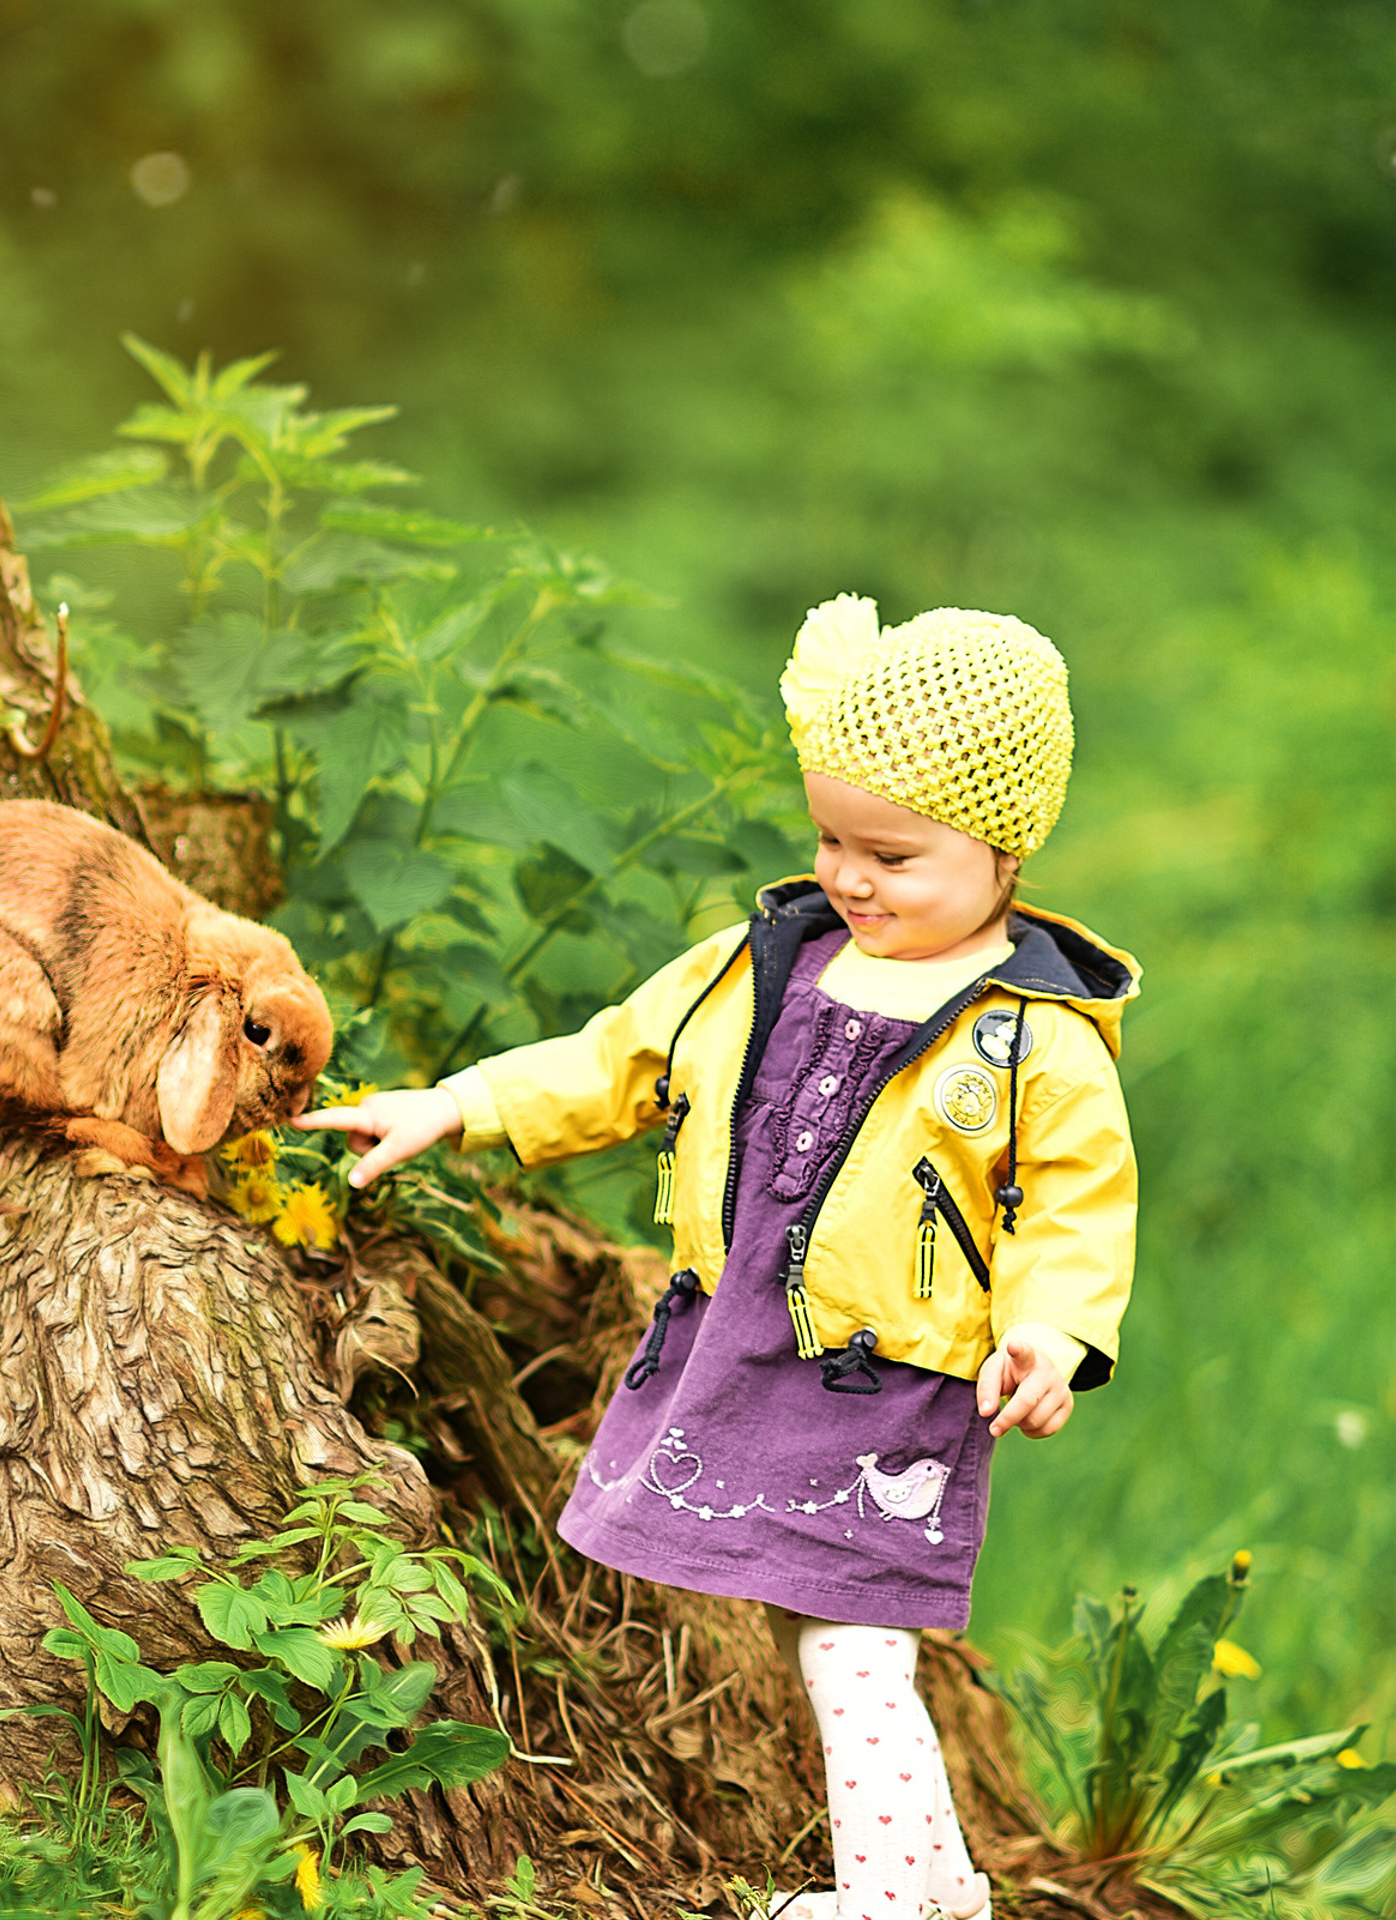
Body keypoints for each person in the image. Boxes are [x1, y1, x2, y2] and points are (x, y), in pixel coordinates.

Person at [297, 594, 1141, 1920]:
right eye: (831, 840)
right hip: (736, 1346)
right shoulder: (766, 961)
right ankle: (937, 1891)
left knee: (854, 1641)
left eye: (896, 856)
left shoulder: (1034, 1034)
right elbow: (611, 1059)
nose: (852, 878)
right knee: (826, 1631)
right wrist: (459, 1102)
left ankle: (880, 1902)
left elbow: (1072, 1214)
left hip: (888, 1379)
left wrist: (1052, 1335)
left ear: (1005, 852)